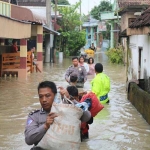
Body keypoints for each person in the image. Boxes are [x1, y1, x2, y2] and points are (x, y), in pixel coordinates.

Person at [25, 81, 91, 149]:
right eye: (41, 96)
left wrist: (70, 99)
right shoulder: (34, 116)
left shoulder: (68, 110)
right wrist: (45, 126)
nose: (44, 100)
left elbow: (87, 117)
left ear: (55, 95)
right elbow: (28, 140)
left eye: (48, 96)